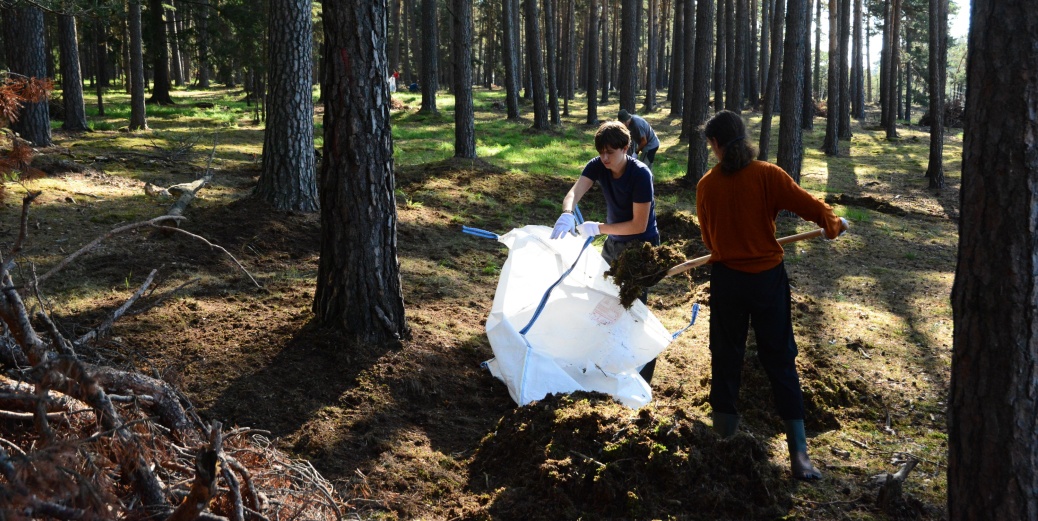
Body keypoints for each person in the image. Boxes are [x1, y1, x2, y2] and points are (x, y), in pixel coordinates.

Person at [695, 110, 848, 480]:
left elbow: (709, 241)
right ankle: (800, 458)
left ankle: (724, 444)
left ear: (715, 145)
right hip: (767, 282)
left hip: (728, 282)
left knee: (726, 359)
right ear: (743, 138)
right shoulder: (768, 175)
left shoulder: (706, 186)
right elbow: (812, 207)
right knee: (779, 359)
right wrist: (833, 224)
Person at [549, 120, 661, 383]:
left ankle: (639, 377)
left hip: (640, 248)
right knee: (600, 301)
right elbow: (574, 192)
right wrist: (567, 213)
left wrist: (599, 228)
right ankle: (602, 363)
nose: (605, 157)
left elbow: (638, 224)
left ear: (626, 148)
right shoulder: (598, 165)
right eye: (601, 152)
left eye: (611, 152)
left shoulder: (641, 174)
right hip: (613, 243)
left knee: (632, 309)